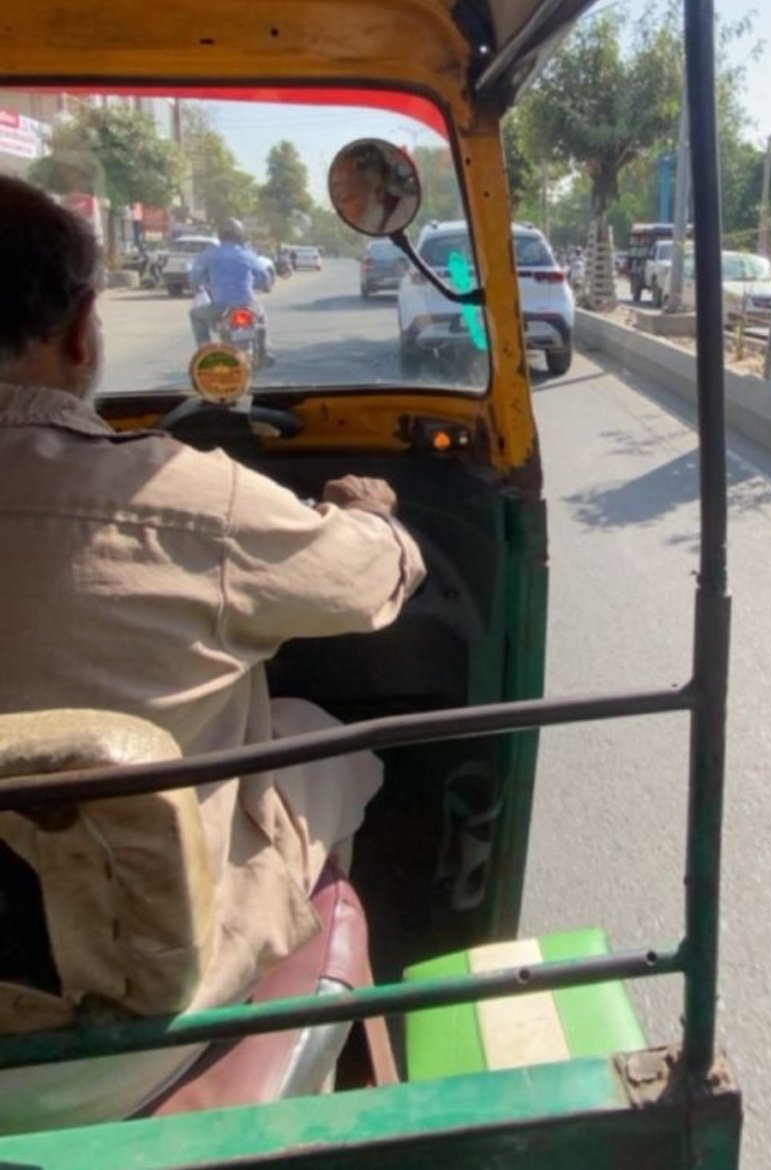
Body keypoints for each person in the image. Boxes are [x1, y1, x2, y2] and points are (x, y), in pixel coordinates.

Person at [0, 176, 426, 1129]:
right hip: (100, 1051)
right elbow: (366, 586)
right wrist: (370, 517)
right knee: (321, 741)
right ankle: (289, 1007)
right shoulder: (183, 500)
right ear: (79, 333)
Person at [189, 217, 273, 363]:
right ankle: (264, 352)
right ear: (240, 235)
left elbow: (196, 278)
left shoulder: (210, 254)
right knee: (261, 316)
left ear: (220, 235)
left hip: (221, 307)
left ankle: (206, 350)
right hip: (247, 304)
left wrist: (198, 285)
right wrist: (254, 284)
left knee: (195, 315)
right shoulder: (247, 254)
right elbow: (264, 278)